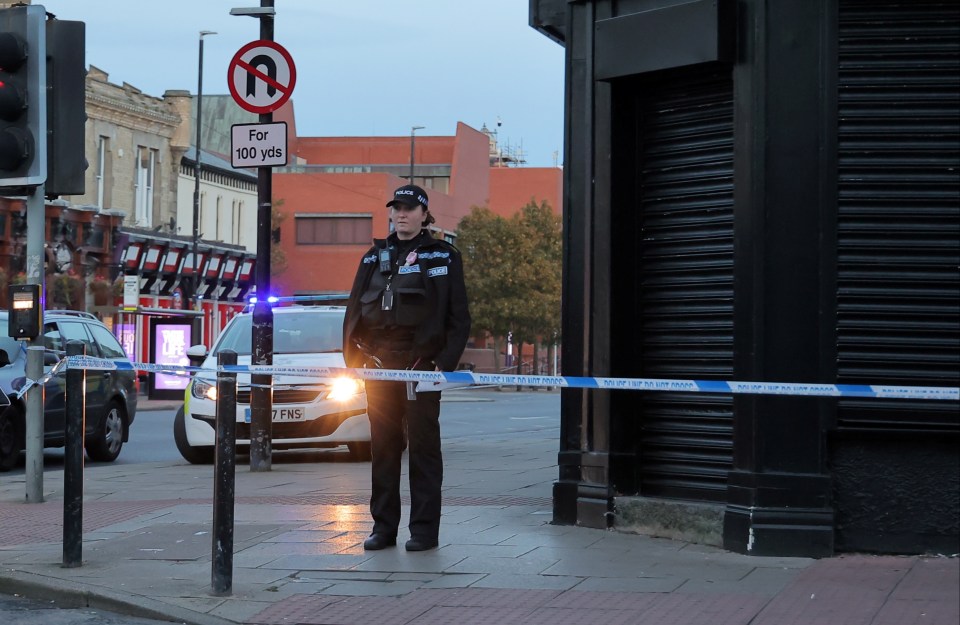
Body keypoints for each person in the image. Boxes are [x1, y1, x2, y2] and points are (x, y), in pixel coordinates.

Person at [343, 184, 471, 552]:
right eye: (396, 208)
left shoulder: (443, 257)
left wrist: (440, 367)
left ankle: (424, 532)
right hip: (379, 365)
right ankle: (383, 529)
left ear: (424, 215)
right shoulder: (373, 257)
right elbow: (354, 310)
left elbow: (458, 318)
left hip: (420, 365)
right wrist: (353, 361)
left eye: (409, 208)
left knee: (424, 449)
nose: (401, 214)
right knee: (383, 448)